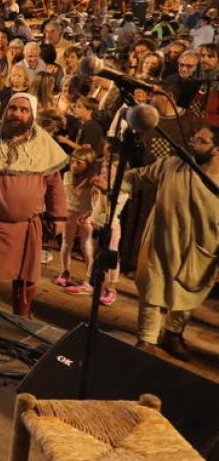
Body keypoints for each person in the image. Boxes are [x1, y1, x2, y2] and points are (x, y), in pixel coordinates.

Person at [0, 92, 68, 317]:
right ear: (5, 111)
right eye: (13, 108)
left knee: (25, 280)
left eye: (23, 110)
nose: (17, 114)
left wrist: (58, 216)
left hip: (27, 228)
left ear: (32, 115)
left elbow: (54, 185)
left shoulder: (44, 145)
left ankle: (22, 322)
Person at [122, 125, 219, 361]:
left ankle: (172, 335)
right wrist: (114, 184)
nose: (193, 143)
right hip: (162, 242)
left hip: (201, 250)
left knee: (189, 293)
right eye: (193, 138)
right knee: (152, 289)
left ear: (217, 149)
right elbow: (138, 176)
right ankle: (147, 340)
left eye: (201, 141)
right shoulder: (172, 164)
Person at [55, 146, 110, 301]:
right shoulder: (67, 175)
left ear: (88, 164)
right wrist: (88, 181)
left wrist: (92, 212)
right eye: (73, 161)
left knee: (87, 246)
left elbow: (98, 200)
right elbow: (74, 191)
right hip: (70, 212)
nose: (73, 165)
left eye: (78, 163)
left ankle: (88, 279)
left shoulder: (94, 179)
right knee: (67, 243)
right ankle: (65, 271)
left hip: (86, 214)